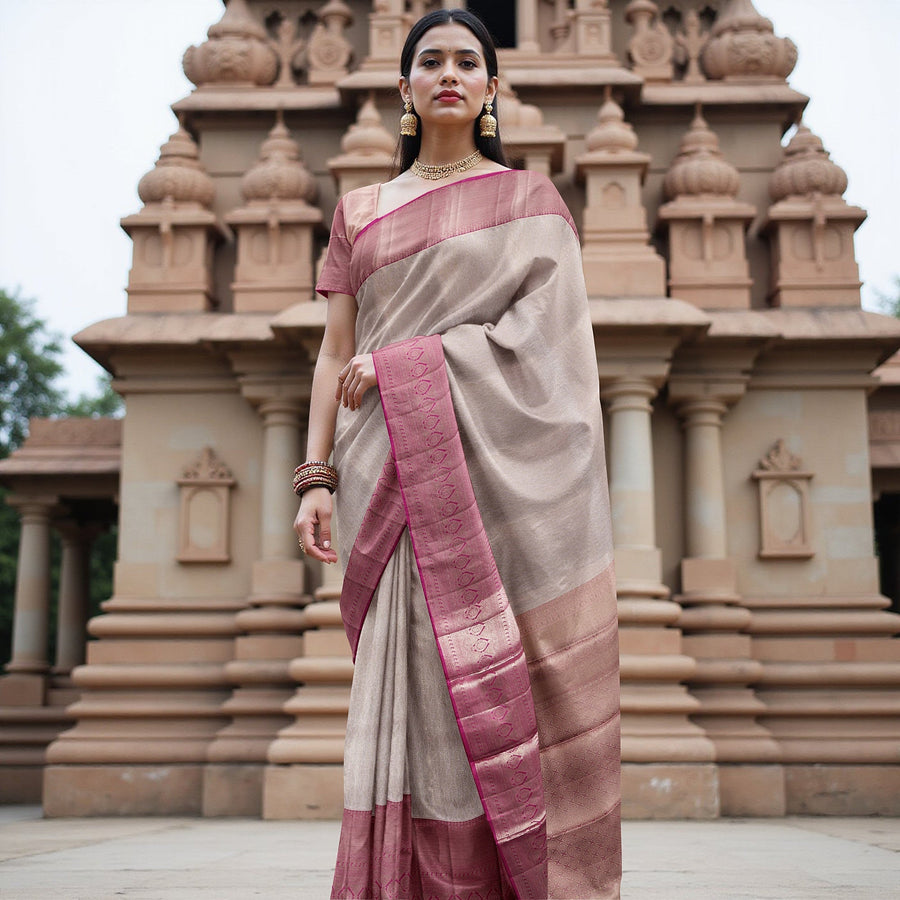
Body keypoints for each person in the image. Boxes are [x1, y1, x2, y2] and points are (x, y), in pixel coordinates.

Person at [293, 9, 621, 899]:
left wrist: (410, 364)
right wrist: (316, 477)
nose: (449, 72)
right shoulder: (358, 212)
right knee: (407, 681)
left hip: (487, 477)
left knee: (481, 675)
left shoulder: (529, 203)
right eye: (429, 60)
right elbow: (332, 352)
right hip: (379, 468)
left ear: (490, 87)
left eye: (467, 61)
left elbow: (549, 346)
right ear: (403, 89)